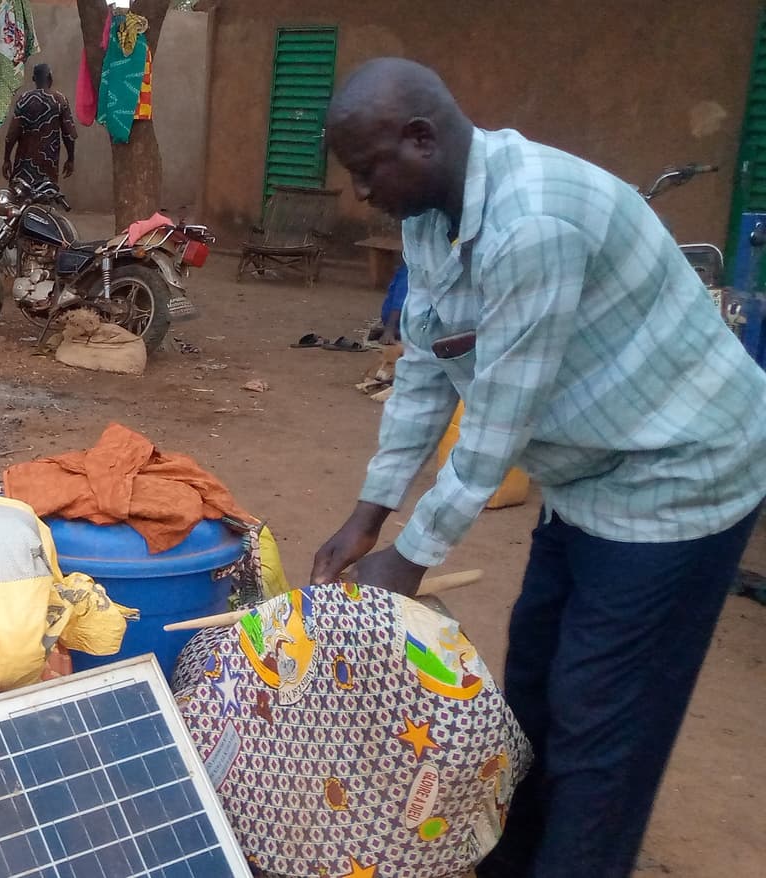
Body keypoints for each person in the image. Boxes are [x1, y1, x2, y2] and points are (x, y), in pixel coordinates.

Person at [310, 58, 766, 878]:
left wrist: (411, 556)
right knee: (534, 679)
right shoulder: (431, 213)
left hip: (680, 474)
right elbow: (425, 366)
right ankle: (512, 861)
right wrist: (367, 514)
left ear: (422, 139)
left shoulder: (532, 224)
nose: (361, 193)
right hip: (590, 473)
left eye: (366, 170)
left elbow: (495, 419)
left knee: (603, 718)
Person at [2, 63, 76, 195]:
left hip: (23, 167)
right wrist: (70, 159)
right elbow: (69, 134)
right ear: (50, 77)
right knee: (45, 200)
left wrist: (7, 159)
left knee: (19, 200)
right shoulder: (59, 99)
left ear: (33, 79)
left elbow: (12, 134)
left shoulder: (24, 99)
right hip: (48, 166)